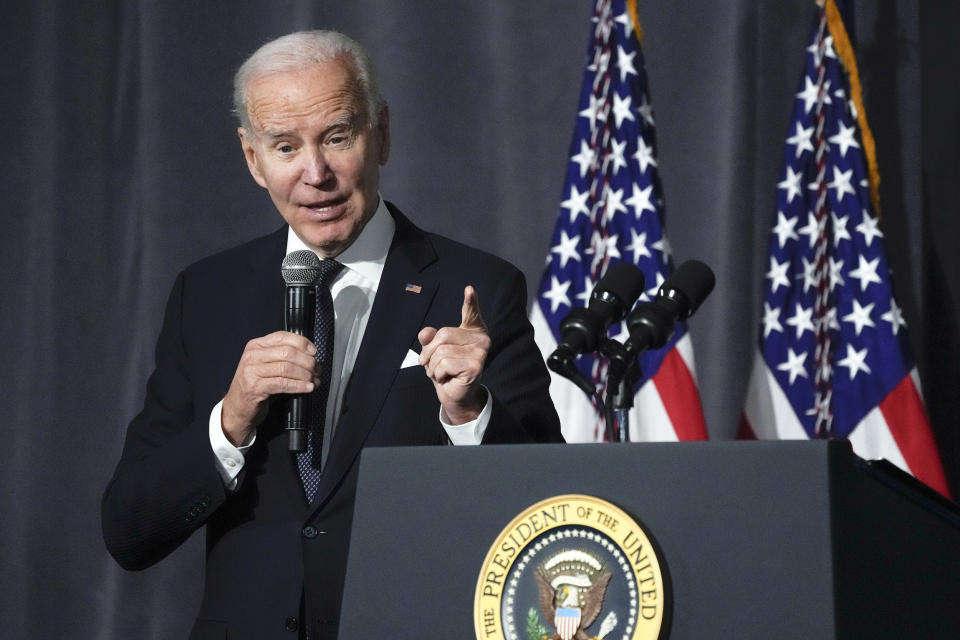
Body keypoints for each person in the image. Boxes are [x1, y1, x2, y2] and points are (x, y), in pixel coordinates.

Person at [101, 29, 562, 640]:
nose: (314, 173)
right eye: (285, 147)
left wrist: (469, 414)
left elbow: (546, 514)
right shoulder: (206, 294)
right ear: (252, 159)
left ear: (383, 134)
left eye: (337, 138)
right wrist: (230, 420)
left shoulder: (477, 288)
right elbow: (130, 531)